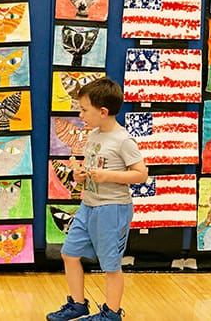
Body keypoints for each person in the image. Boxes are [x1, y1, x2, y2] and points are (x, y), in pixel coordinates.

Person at [46, 77, 148, 321]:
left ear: (103, 112)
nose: (80, 114)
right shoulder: (92, 135)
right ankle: (78, 305)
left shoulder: (123, 140)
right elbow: (93, 168)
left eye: (83, 110)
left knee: (110, 264)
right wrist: (80, 176)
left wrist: (107, 176)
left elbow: (141, 174)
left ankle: (112, 313)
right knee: (69, 254)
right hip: (88, 206)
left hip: (112, 210)